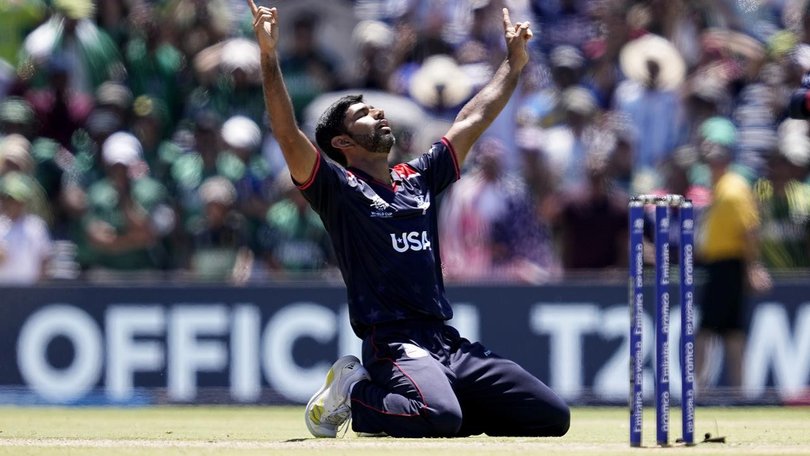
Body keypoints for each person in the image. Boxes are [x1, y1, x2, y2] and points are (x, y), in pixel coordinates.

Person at [247, 1, 569, 438]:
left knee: (550, 416)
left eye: (374, 109)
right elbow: (286, 133)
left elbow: (471, 118)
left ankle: (447, 401)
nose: (377, 113)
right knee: (438, 417)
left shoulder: (418, 177)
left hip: (446, 340)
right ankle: (357, 391)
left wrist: (513, 66)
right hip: (394, 343)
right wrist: (269, 55)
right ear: (342, 141)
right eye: (362, 114)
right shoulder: (338, 190)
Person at [695, 117, 771, 394]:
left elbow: (750, 230)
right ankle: (738, 390)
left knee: (708, 330)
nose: (711, 166)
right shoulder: (721, 188)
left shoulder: (732, 189)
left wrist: (753, 267)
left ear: (725, 161)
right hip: (723, 265)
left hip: (728, 265)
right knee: (731, 332)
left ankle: (700, 389)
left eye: (716, 160)